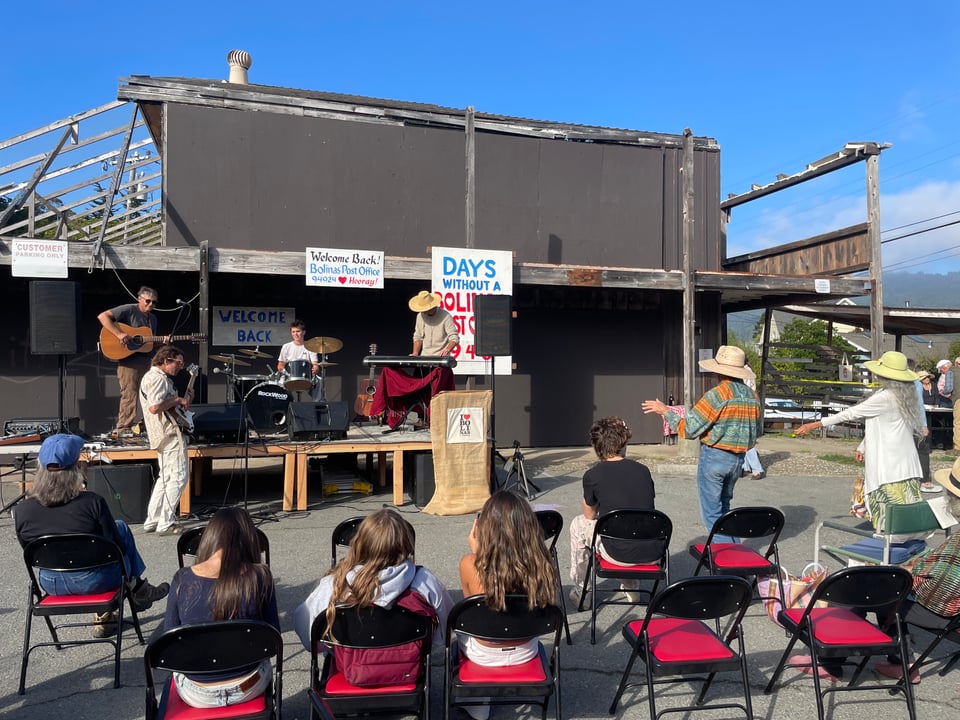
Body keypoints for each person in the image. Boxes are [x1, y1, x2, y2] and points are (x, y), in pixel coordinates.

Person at [792, 457, 960, 684]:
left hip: (947, 615)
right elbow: (941, 573)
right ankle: (901, 662)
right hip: (949, 609)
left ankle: (830, 663)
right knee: (884, 584)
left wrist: (895, 577)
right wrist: (904, 569)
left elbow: (937, 593)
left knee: (857, 589)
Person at [14, 434, 169, 637]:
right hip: (98, 581)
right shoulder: (92, 502)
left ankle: (119, 607)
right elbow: (118, 550)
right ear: (76, 469)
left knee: (103, 542)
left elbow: (28, 549)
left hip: (51, 582)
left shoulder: (22, 509)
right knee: (119, 529)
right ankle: (138, 589)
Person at [642, 345, 762, 542]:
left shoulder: (717, 395)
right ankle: (736, 556)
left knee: (712, 514)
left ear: (718, 371)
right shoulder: (751, 397)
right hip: (738, 459)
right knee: (725, 510)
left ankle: (727, 560)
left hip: (715, 456)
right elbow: (755, 432)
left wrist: (665, 411)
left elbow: (689, 429)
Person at [795, 351, 924, 533]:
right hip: (907, 466)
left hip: (889, 469)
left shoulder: (885, 397)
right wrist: (863, 446)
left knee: (889, 519)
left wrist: (815, 424)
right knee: (907, 518)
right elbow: (882, 425)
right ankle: (903, 553)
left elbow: (851, 413)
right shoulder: (905, 395)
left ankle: (887, 554)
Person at [293, 508, 452, 655]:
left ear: (358, 544)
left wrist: (335, 647)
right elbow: (445, 631)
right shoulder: (424, 580)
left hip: (350, 669)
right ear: (407, 545)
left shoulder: (335, 584)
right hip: (408, 668)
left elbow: (308, 636)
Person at [458, 491, 559, 719]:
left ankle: (477, 699)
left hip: (483, 652)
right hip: (526, 648)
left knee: (461, 627)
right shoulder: (543, 563)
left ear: (483, 528)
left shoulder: (469, 564)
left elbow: (473, 611)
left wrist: (476, 557)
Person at [163, 508, 279, 708]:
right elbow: (273, 638)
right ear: (250, 538)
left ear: (209, 537)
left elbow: (169, 639)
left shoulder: (182, 579)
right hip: (248, 684)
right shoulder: (260, 576)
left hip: (196, 692)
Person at [568, 417, 655, 609]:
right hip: (651, 550)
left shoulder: (593, 475)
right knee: (629, 524)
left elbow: (590, 515)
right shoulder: (643, 471)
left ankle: (583, 591)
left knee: (578, 524)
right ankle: (631, 585)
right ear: (623, 442)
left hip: (615, 551)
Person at [97, 286, 163, 437]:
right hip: (129, 362)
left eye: (154, 303)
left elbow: (147, 343)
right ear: (139, 298)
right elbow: (102, 316)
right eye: (148, 301)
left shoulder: (153, 319)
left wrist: (161, 341)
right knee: (130, 395)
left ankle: (148, 426)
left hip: (148, 361)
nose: (150, 305)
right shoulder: (129, 309)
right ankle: (123, 429)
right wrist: (119, 334)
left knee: (152, 394)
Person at [140, 345, 192, 535]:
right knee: (178, 477)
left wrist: (185, 400)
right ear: (166, 360)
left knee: (166, 477)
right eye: (178, 363)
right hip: (169, 434)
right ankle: (166, 523)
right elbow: (155, 407)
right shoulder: (157, 379)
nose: (180, 367)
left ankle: (152, 520)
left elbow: (171, 411)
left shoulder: (153, 377)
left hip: (161, 433)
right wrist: (178, 400)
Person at [277, 318, 321, 399]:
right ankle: (284, 408)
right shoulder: (286, 346)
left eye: (298, 331)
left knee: (319, 382)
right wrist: (285, 372)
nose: (295, 334)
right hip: (288, 377)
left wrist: (315, 368)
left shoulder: (310, 346)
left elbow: (315, 365)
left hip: (306, 377)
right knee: (279, 384)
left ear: (303, 332)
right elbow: (280, 365)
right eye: (293, 332)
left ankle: (317, 406)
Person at [911, 366, 938, 494]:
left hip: (903, 420)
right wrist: (923, 424)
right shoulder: (916, 384)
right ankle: (924, 480)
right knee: (922, 449)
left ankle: (917, 479)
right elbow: (919, 404)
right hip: (914, 420)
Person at [409, 290, 459, 358]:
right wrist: (415, 353)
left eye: (425, 309)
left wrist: (447, 349)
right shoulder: (420, 316)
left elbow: (454, 338)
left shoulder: (446, 316)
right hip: (424, 357)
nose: (423, 312)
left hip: (441, 358)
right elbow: (418, 336)